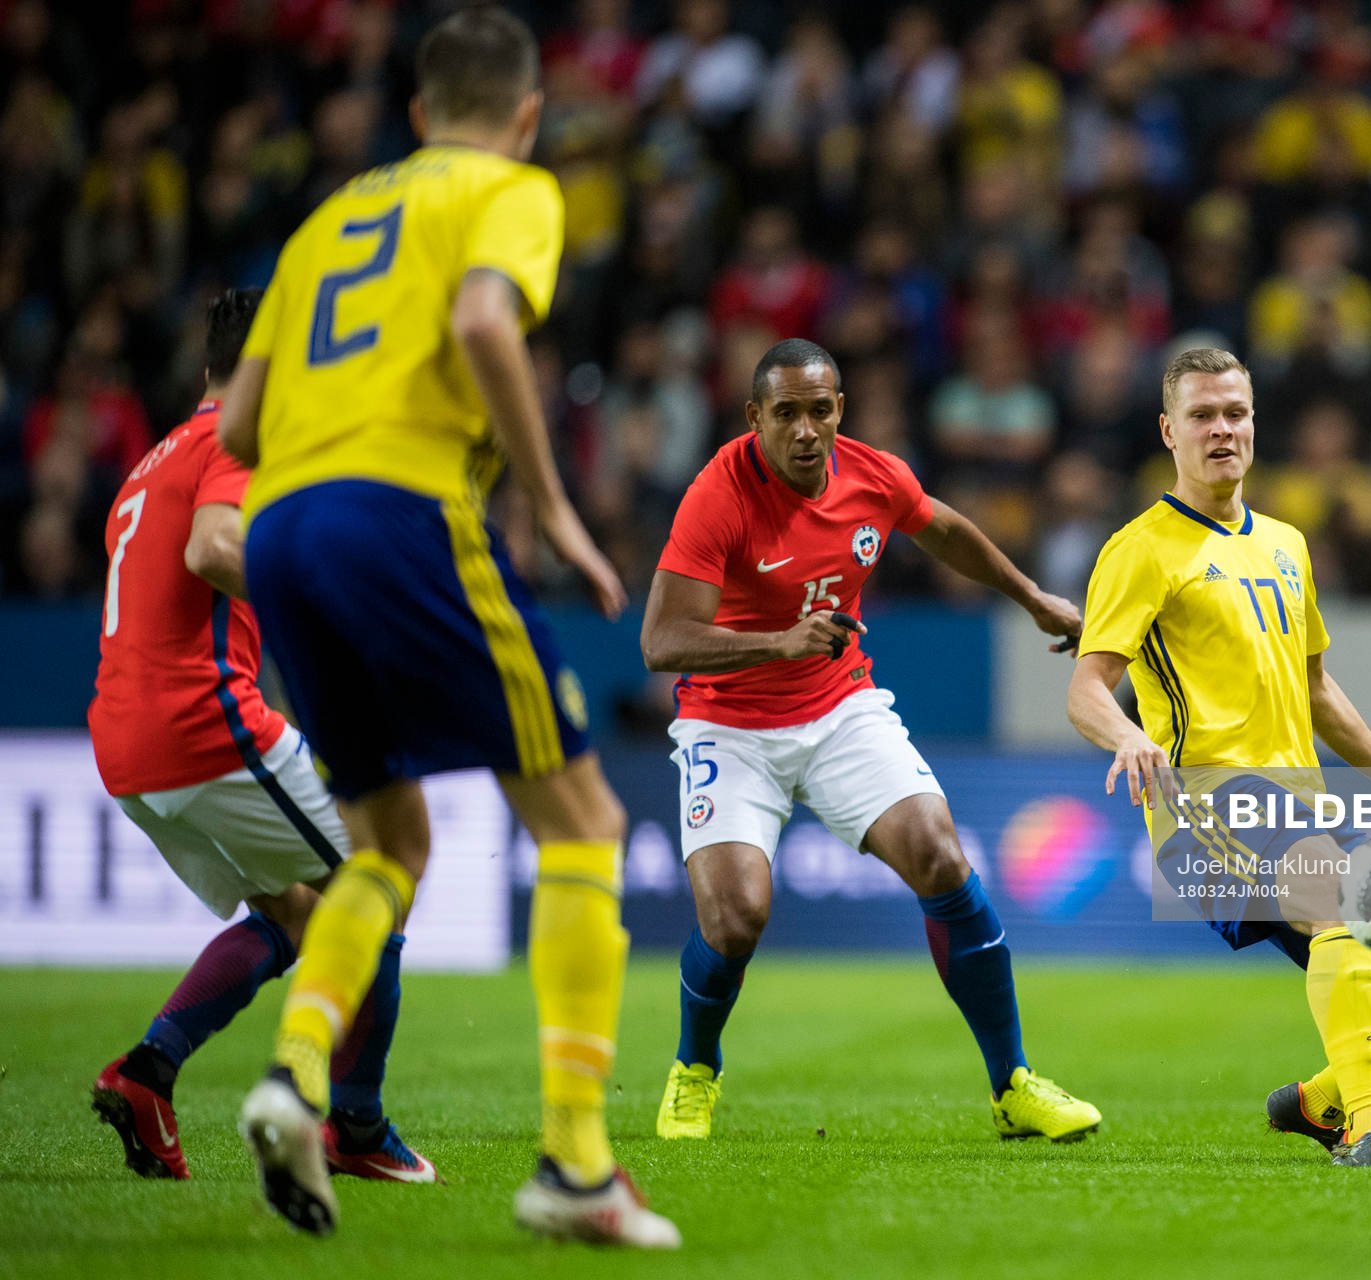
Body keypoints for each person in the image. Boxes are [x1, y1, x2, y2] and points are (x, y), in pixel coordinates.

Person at [215, 7, 676, 1247]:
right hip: (402, 510)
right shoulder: (511, 190)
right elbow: (483, 320)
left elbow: (239, 427)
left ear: (415, 113)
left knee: (386, 839)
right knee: (582, 819)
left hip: (282, 526)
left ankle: (295, 1073)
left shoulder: (323, 222)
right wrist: (552, 502)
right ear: (526, 114)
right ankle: (576, 1165)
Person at [639, 337, 1101, 1143]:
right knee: (736, 918)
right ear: (755, 418)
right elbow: (661, 641)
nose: (806, 430)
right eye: (786, 414)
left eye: (820, 410)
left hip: (837, 706)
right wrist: (777, 643)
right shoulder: (719, 493)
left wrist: (1030, 597)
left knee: (941, 854)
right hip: (729, 722)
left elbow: (945, 529)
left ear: (839, 410)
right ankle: (695, 1068)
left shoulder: (872, 474)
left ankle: (1013, 1085)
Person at [1065, 347, 1371, 1170]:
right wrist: (1127, 736)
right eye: (1202, 415)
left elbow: (1314, 688)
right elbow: (1087, 687)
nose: (1222, 429)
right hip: (1208, 803)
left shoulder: (1284, 543)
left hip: (1298, 808)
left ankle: (1315, 1103)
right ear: (1169, 431)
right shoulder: (1141, 549)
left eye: (1235, 412)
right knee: (1347, 900)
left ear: (1254, 424)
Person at [87, 289, 432, 1186]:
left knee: (293, 914)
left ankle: (147, 1073)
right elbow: (212, 550)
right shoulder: (235, 443)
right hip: (200, 723)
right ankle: (356, 1128)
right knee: (381, 881)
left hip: (126, 745)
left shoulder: (155, 458)